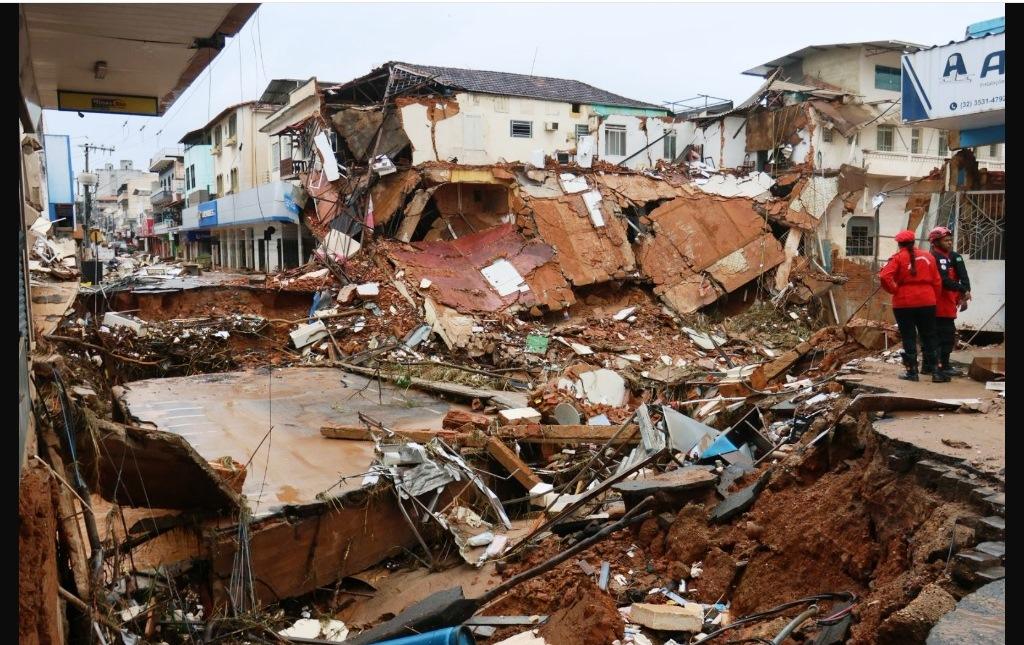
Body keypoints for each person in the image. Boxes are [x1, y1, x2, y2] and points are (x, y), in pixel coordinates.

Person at [878, 230, 949, 382]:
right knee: (930, 336)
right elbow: (937, 281)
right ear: (914, 242)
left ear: (899, 244)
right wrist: (933, 298)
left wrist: (894, 290)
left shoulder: (897, 258)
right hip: (927, 301)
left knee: (908, 336)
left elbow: (884, 276)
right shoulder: (929, 256)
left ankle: (912, 373)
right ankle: (937, 372)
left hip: (904, 302)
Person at [928, 226, 972, 377]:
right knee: (943, 335)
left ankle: (932, 366)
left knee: (941, 334)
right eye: (946, 240)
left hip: (947, 301)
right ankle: (941, 366)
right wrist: (962, 289)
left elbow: (964, 277)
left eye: (950, 240)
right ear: (935, 242)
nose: (949, 243)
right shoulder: (935, 258)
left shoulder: (955, 257)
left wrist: (964, 292)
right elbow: (944, 280)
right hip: (938, 301)